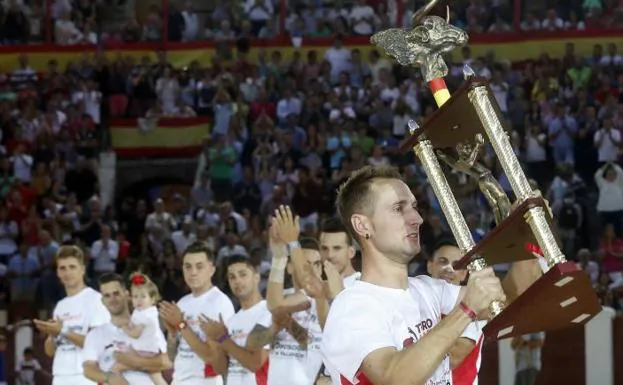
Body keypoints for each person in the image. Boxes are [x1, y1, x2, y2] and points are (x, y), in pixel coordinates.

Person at [320, 165, 507, 385]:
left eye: (414, 207)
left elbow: (496, 302)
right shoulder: (352, 307)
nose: (417, 218)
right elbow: (394, 378)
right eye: (399, 208)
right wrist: (466, 310)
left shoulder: (428, 288)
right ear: (362, 225)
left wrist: (523, 233)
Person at [160, 241, 236, 385]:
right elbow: (172, 357)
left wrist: (181, 325)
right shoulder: (182, 303)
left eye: (199, 266)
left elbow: (213, 358)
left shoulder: (220, 302)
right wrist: (171, 335)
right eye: (188, 267)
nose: (193, 272)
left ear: (212, 270)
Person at [33, 245, 111, 385]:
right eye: (62, 268)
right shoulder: (60, 306)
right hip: (60, 375)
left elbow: (98, 345)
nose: (67, 273)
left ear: (82, 269)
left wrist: (62, 331)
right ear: (57, 272)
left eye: (72, 267)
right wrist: (51, 335)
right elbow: (50, 352)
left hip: (85, 375)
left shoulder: (96, 300)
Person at [266, 216, 328, 385]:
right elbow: (254, 342)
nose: (313, 271)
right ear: (291, 267)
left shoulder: (325, 300)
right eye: (305, 264)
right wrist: (273, 329)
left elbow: (311, 342)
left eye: (317, 264)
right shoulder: (279, 296)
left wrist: (288, 323)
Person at [82, 273, 172, 385]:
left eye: (116, 293)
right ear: (102, 301)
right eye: (107, 295)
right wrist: (110, 378)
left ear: (127, 294)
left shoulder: (147, 324)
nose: (112, 299)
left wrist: (134, 362)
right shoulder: (95, 334)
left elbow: (167, 362)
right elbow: (88, 370)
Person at [199, 255, 272, 384]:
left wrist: (223, 339)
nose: (237, 281)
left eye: (243, 275)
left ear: (257, 277)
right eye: (232, 277)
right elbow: (220, 368)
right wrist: (214, 343)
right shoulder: (232, 321)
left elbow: (255, 364)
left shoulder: (269, 313)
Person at [427, 237, 487, 385]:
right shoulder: (415, 300)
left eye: (457, 265)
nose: (449, 268)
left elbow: (452, 358)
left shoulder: (476, 306)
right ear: (430, 266)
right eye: (443, 261)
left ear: (465, 274)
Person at [117, 272, 168, 385]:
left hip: (147, 352)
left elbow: (136, 333)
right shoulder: (141, 311)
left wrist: (124, 328)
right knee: (156, 377)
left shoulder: (146, 314)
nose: (139, 300)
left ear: (152, 299)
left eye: (143, 296)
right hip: (146, 349)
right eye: (135, 296)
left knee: (118, 366)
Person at [318, 217, 361, 293]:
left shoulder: (362, 286)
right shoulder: (317, 289)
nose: (330, 255)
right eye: (324, 248)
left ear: (351, 252)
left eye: (337, 248)